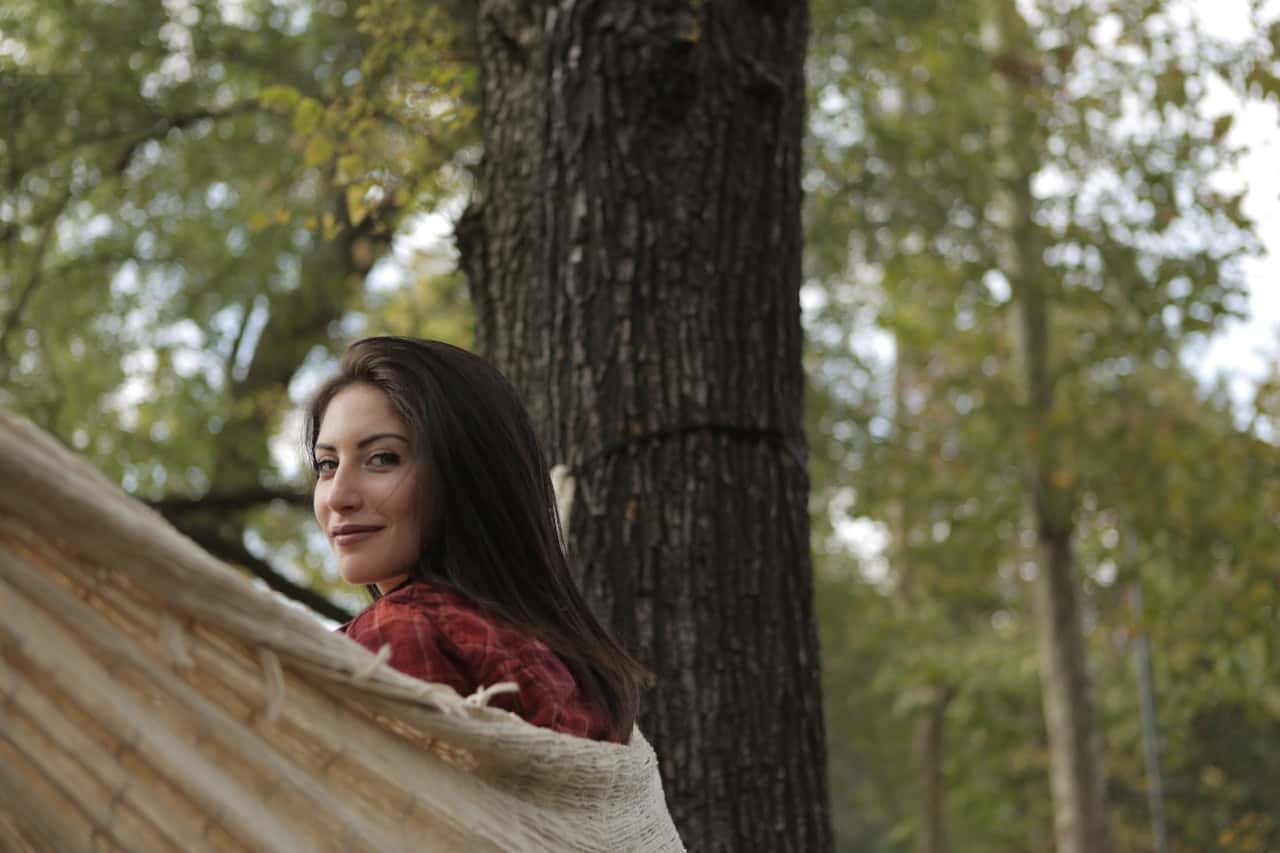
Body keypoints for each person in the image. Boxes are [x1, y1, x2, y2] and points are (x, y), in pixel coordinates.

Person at [305, 336, 645, 744]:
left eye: (383, 458)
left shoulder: (398, 632)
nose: (339, 497)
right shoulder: (571, 664)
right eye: (327, 464)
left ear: (463, 473)